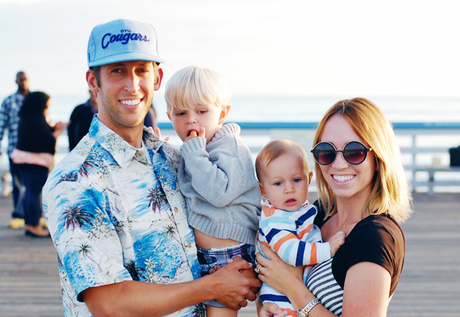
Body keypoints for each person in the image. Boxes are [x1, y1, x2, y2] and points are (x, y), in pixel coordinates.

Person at [42, 19, 259, 317]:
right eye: (117, 71)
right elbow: (107, 303)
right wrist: (214, 287)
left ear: (156, 78)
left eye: (141, 70)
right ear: (94, 81)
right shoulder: (74, 180)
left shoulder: (171, 157)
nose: (132, 85)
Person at [257, 98, 412, 317]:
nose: (338, 164)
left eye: (354, 151)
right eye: (326, 152)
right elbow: (271, 271)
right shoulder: (318, 213)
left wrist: (294, 290)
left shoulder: (374, 238)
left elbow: (286, 280)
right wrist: (266, 307)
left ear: (377, 158)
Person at [165, 65, 261, 317]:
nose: (191, 120)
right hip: (205, 256)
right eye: (181, 113)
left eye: (202, 111)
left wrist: (193, 151)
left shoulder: (230, 147)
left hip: (230, 256)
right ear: (170, 117)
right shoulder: (196, 150)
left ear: (222, 114)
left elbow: (219, 192)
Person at [255, 139, 345, 317]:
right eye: (278, 183)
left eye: (296, 180)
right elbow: (291, 252)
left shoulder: (297, 212)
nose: (289, 189)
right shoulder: (276, 219)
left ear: (309, 179)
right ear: (263, 191)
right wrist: (328, 249)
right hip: (281, 300)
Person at [11, 91, 67, 237]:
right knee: (34, 194)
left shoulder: (26, 117)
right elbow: (47, 140)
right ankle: (34, 226)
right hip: (35, 162)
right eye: (46, 105)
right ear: (40, 104)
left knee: (29, 192)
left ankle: (31, 223)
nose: (47, 108)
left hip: (22, 160)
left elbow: (38, 134)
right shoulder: (36, 119)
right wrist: (59, 131)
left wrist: (53, 128)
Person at [0, 71, 29, 229]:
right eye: (21, 79)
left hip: (33, 151)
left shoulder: (34, 99)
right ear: (16, 81)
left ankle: (33, 217)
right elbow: (1, 125)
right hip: (14, 149)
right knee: (17, 185)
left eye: (25, 79)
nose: (23, 82)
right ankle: (18, 215)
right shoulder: (8, 101)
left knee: (33, 186)